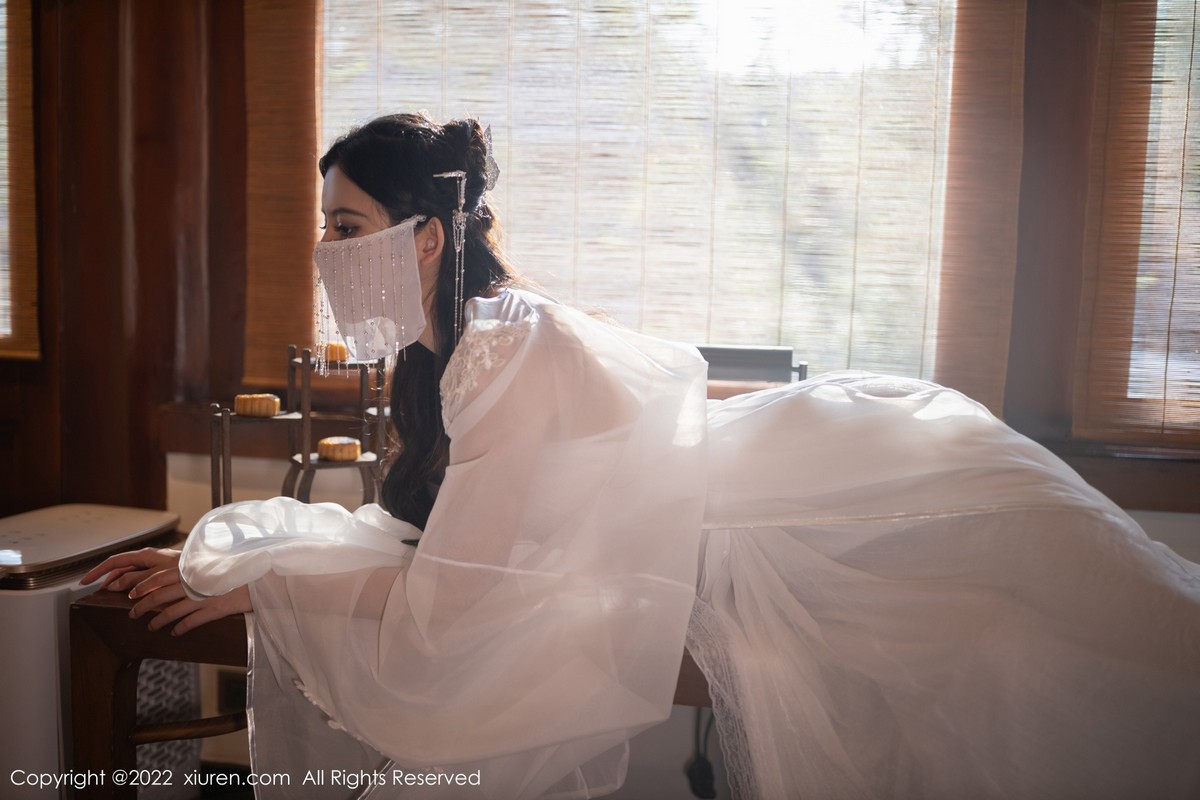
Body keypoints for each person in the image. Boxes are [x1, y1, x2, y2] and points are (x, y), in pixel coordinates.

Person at [84, 112, 1200, 800]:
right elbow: (436, 542)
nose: (324, 251)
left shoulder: (505, 344)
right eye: (322, 226)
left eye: (343, 225)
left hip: (827, 489)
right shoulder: (447, 356)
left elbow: (464, 606)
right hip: (787, 472)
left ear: (425, 236)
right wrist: (231, 558)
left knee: (1117, 641)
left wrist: (265, 580)